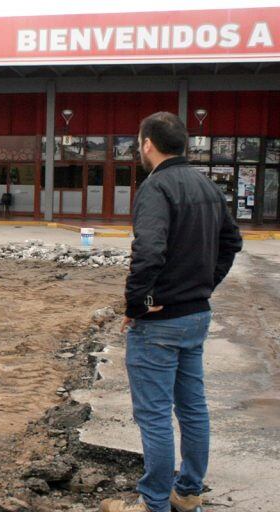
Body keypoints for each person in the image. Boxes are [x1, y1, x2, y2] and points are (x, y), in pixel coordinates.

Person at [100, 112, 243, 512]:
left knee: (155, 415)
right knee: (193, 407)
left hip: (159, 321)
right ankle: (188, 492)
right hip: (196, 316)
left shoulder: (155, 187)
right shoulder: (207, 187)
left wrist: (137, 304)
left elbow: (148, 252)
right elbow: (232, 242)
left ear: (147, 143)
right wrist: (204, 287)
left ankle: (154, 502)